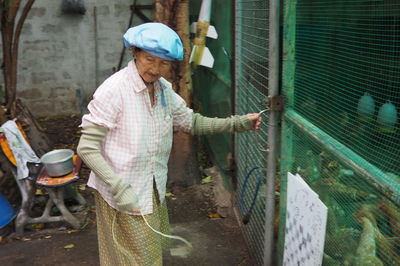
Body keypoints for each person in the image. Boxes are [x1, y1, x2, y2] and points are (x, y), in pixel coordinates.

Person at [77, 22, 262, 266]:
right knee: (133, 259)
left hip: (149, 186)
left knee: (147, 254)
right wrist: (117, 186)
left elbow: (191, 122)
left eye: (163, 63)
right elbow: (86, 148)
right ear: (135, 53)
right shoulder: (114, 90)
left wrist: (239, 123)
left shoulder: (163, 89)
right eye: (149, 59)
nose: (155, 69)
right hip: (122, 190)